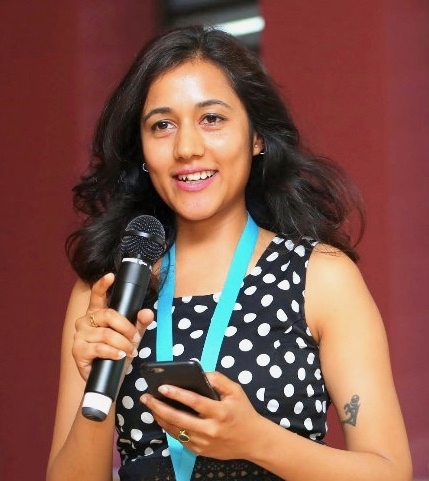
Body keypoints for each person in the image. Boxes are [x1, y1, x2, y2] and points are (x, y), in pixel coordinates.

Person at [47, 25, 412, 481]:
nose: (187, 148)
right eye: (162, 125)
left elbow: (390, 472)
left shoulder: (320, 276)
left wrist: (256, 441)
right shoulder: (107, 292)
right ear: (141, 149)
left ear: (256, 137)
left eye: (212, 119)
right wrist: (103, 380)